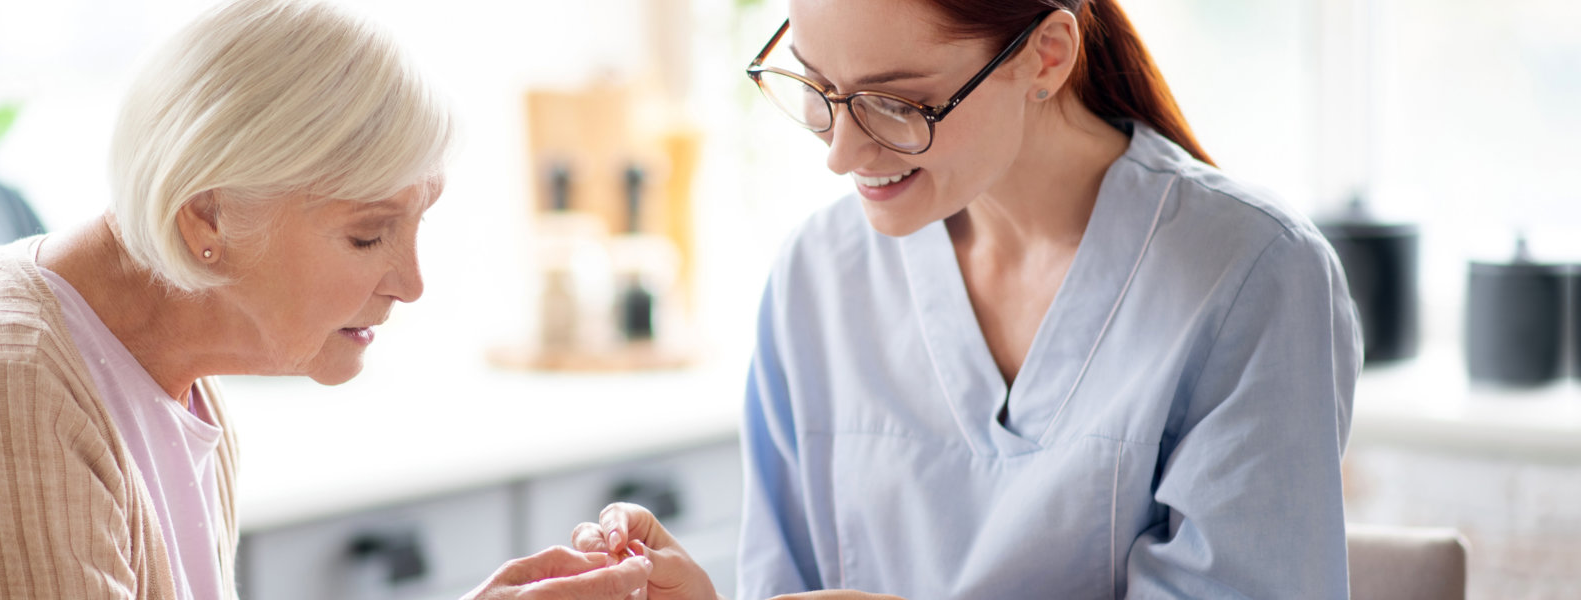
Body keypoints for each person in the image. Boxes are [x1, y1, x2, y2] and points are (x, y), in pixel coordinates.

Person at [0, 1, 652, 598]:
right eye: (367, 234)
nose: (410, 283)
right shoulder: (8, 387)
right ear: (208, 217)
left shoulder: (178, 383)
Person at [574, 0, 1360, 598]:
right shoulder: (818, 276)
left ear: (1045, 56)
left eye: (897, 104)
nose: (841, 155)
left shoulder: (1255, 278)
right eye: (816, 87)